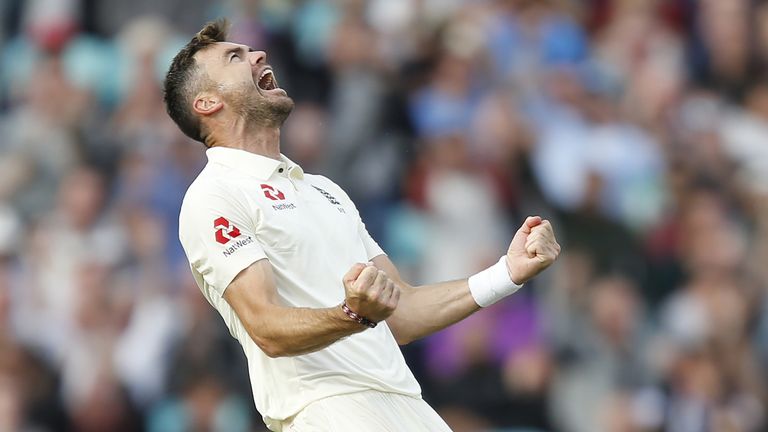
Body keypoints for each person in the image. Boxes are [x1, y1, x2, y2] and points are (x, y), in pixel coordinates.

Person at [165, 20, 561, 432]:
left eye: (251, 50)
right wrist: (352, 314)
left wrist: (507, 273)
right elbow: (266, 327)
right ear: (207, 103)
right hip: (326, 409)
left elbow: (402, 313)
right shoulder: (213, 196)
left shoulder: (322, 190)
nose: (257, 55)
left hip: (406, 403)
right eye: (235, 57)